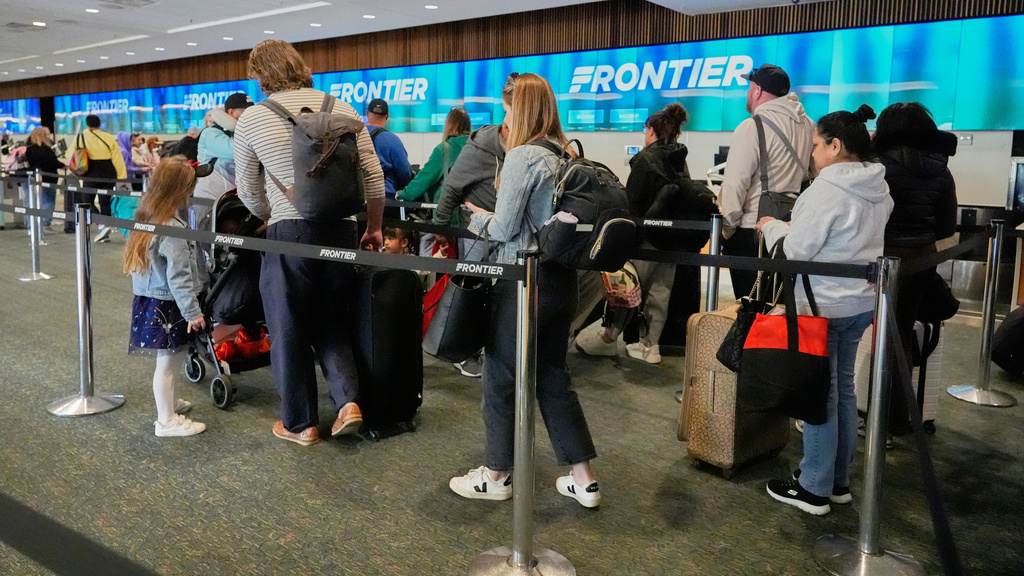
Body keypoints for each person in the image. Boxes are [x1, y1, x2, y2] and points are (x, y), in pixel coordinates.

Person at [450, 72, 601, 509]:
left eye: (508, 108)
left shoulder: (523, 157)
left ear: (521, 110)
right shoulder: (566, 154)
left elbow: (503, 228)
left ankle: (496, 475)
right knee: (552, 376)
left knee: (500, 375)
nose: (504, 117)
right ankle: (583, 478)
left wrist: (474, 215)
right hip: (561, 282)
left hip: (522, 280)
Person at [233, 39, 386, 447]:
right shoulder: (342, 108)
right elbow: (373, 177)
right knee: (330, 317)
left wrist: (272, 213)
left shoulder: (252, 119)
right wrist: (373, 227)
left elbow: (247, 189)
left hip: (289, 233)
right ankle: (347, 402)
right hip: (342, 229)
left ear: (260, 75)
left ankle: (300, 424)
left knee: (288, 324)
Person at [756, 105, 892, 515]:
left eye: (816, 145)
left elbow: (798, 250)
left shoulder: (826, 190)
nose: (812, 153)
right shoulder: (879, 188)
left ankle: (813, 488)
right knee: (844, 391)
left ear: (836, 146)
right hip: (860, 304)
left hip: (822, 307)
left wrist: (771, 227)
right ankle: (837, 482)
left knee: (820, 395)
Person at [574, 103, 696, 364]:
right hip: (671, 240)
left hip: (645, 240)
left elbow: (632, 202)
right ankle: (651, 347)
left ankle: (609, 339)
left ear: (651, 131)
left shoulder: (645, 159)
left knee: (626, 290)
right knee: (659, 294)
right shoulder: (680, 159)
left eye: (645, 129)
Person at [873, 102, 958, 435]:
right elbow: (947, 226)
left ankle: (881, 420)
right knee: (902, 337)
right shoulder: (942, 169)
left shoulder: (877, 167)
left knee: (877, 340)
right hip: (922, 261)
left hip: (880, 265)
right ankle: (894, 420)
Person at [123, 157, 208, 437]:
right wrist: (192, 312)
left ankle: (168, 404)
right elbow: (179, 276)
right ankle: (166, 420)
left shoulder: (146, 216)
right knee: (168, 364)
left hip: (150, 299)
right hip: (169, 304)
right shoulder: (172, 226)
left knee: (167, 360)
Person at [719, 64, 814, 299]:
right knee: (780, 308)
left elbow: (735, 183)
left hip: (751, 232)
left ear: (757, 90)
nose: (747, 94)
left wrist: (727, 228)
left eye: (749, 87)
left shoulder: (752, 126)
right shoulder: (809, 125)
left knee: (752, 310)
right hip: (789, 230)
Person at [433, 74, 516, 263]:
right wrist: (440, 228)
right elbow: (452, 187)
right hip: (478, 235)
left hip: (514, 240)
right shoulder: (480, 143)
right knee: (472, 287)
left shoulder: (537, 149)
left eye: (507, 112)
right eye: (504, 111)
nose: (505, 120)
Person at [396, 106, 472, 255]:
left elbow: (424, 179)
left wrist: (403, 193)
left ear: (448, 125)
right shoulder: (475, 148)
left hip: (447, 219)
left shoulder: (444, 149)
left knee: (438, 266)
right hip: (473, 219)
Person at [195, 92, 255, 205]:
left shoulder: (235, 133)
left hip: (231, 198)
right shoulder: (210, 133)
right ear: (230, 112)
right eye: (245, 111)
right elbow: (234, 150)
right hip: (209, 197)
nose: (249, 116)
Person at [77, 115, 127, 242]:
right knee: (105, 201)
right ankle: (104, 232)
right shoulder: (108, 137)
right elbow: (117, 157)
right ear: (99, 124)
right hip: (108, 171)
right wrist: (121, 176)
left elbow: (71, 154)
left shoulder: (82, 136)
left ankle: (101, 225)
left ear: (87, 125)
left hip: (91, 172)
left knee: (87, 200)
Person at [365, 98, 413, 202]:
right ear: (387, 116)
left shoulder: (355, 136)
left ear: (367, 114)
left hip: (358, 199)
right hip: (384, 199)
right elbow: (405, 172)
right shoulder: (392, 140)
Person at [24, 126, 66, 231]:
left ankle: (31, 226)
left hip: (30, 178)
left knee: (31, 201)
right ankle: (44, 222)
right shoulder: (45, 148)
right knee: (48, 201)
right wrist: (63, 165)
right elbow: (52, 162)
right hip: (48, 178)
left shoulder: (27, 147)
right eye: (47, 134)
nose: (49, 136)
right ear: (42, 136)